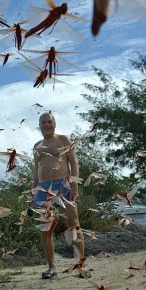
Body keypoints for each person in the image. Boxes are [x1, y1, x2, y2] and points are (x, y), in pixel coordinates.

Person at [32, 112, 88, 279]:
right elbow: (36, 171)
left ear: (54, 124)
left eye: (49, 121)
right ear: (39, 125)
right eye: (43, 122)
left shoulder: (64, 140)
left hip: (63, 185)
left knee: (73, 224)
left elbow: (73, 163)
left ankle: (80, 265)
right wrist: (32, 193)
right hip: (42, 189)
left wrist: (74, 186)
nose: (47, 124)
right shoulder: (37, 146)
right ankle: (51, 268)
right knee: (45, 229)